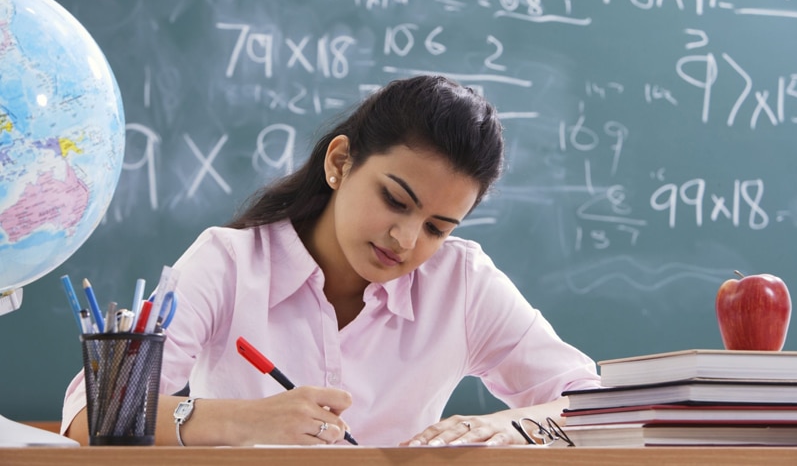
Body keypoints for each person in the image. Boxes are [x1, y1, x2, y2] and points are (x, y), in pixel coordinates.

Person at [62, 75, 600, 446]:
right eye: (395, 200)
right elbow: (89, 417)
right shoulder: (228, 264)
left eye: (438, 227)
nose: (406, 239)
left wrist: (512, 428)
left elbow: (593, 404)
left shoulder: (462, 282)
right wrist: (245, 421)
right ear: (340, 162)